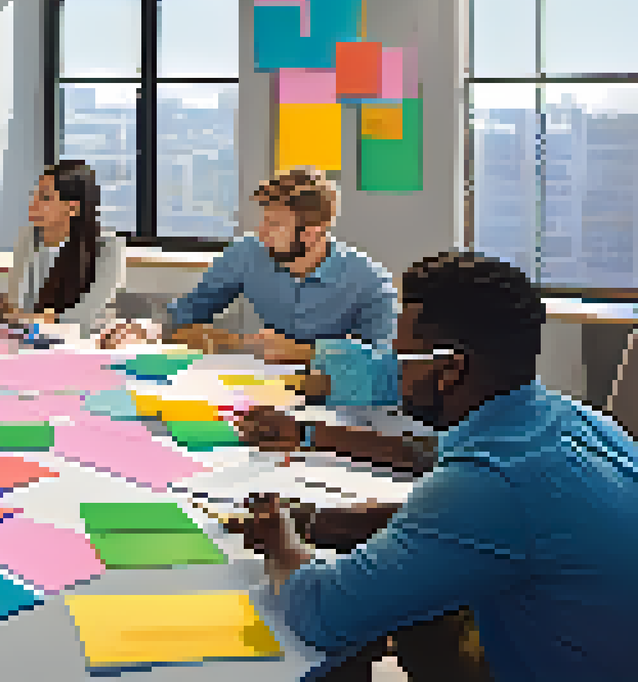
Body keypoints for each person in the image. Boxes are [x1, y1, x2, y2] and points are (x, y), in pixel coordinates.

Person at [239, 252, 638, 681]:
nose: (392, 373)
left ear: (449, 369)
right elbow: (435, 461)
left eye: (401, 359)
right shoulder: (571, 419)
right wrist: (317, 490)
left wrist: (281, 540)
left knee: (370, 629)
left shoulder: (490, 486)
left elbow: (320, 613)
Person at [98, 168, 396, 364]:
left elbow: (383, 362)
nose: (261, 232)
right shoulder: (248, 253)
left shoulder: (370, 281)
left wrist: (303, 353)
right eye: (264, 220)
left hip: (336, 398)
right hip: (266, 387)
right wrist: (145, 329)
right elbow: (189, 310)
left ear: (311, 233)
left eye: (274, 224)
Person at [0, 160, 123, 337]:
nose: (33, 203)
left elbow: (85, 316)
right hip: (30, 339)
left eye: (45, 197)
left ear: (72, 207)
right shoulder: (29, 239)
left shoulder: (107, 247)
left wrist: (38, 318)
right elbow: (15, 305)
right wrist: (25, 316)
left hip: (86, 342)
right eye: (34, 195)